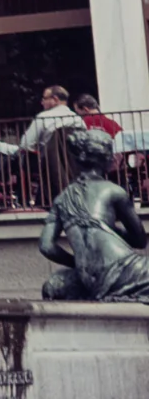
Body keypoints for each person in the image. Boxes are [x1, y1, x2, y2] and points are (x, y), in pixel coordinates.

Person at [40, 128, 149, 303]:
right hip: (125, 268)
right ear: (106, 158)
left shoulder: (61, 198)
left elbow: (46, 246)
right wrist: (114, 230)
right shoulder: (113, 190)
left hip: (92, 279)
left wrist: (78, 264)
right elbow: (140, 240)